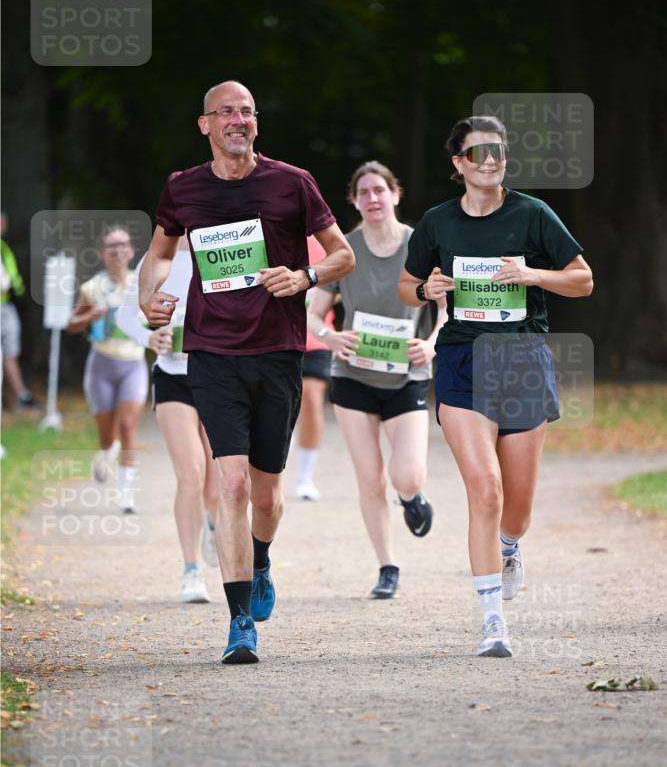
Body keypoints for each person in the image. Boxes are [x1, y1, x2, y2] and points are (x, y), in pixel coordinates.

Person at [139, 79, 355, 665]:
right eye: (226, 112)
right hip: (212, 354)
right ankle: (239, 623)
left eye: (247, 112)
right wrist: (147, 297)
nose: (238, 120)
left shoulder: (293, 182)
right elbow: (159, 252)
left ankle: (261, 560)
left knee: (266, 493)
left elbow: (343, 254)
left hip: (278, 353)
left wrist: (306, 276)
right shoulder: (183, 188)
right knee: (230, 483)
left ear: (256, 122)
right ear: (205, 124)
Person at [399, 115, 593, 657]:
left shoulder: (533, 214)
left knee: (517, 509)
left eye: (498, 152)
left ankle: (509, 546)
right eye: (478, 152)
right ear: (458, 163)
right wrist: (427, 289)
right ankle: (492, 621)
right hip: (462, 361)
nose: (490, 161)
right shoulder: (437, 223)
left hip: (523, 360)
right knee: (485, 489)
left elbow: (583, 279)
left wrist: (532, 275)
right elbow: (407, 286)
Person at [308, 161, 446, 599]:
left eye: (379, 190)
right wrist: (330, 338)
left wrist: (433, 344)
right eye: (364, 192)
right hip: (353, 377)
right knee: (370, 479)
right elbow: (312, 314)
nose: (372, 198)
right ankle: (387, 567)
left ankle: (412, 497)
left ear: (395, 195)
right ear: (354, 201)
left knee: (407, 475)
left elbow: (448, 307)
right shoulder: (344, 250)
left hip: (407, 374)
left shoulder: (420, 245)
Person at [117, 235, 220, 603]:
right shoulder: (158, 257)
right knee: (191, 473)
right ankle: (191, 571)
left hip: (220, 378)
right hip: (173, 377)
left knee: (218, 482)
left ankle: (213, 525)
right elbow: (125, 315)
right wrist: (149, 338)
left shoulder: (222, 246)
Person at [66, 227, 148, 513]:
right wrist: (89, 316)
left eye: (123, 244)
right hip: (101, 365)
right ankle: (105, 452)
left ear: (131, 251)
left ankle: (125, 495)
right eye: (112, 246)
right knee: (107, 434)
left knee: (127, 426)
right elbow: (71, 325)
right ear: (102, 253)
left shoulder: (143, 284)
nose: (118, 250)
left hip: (133, 365)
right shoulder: (92, 288)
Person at [293, 235, 334, 501]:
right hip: (273, 336)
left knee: (310, 400)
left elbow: (342, 281)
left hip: (315, 335)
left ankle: (304, 477)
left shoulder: (323, 238)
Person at [1, 213, 39, 410]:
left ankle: (20, 396)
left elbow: (11, 280)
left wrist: (18, 297)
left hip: (8, 306)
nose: (3, 224)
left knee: (10, 353)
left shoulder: (3, 247)